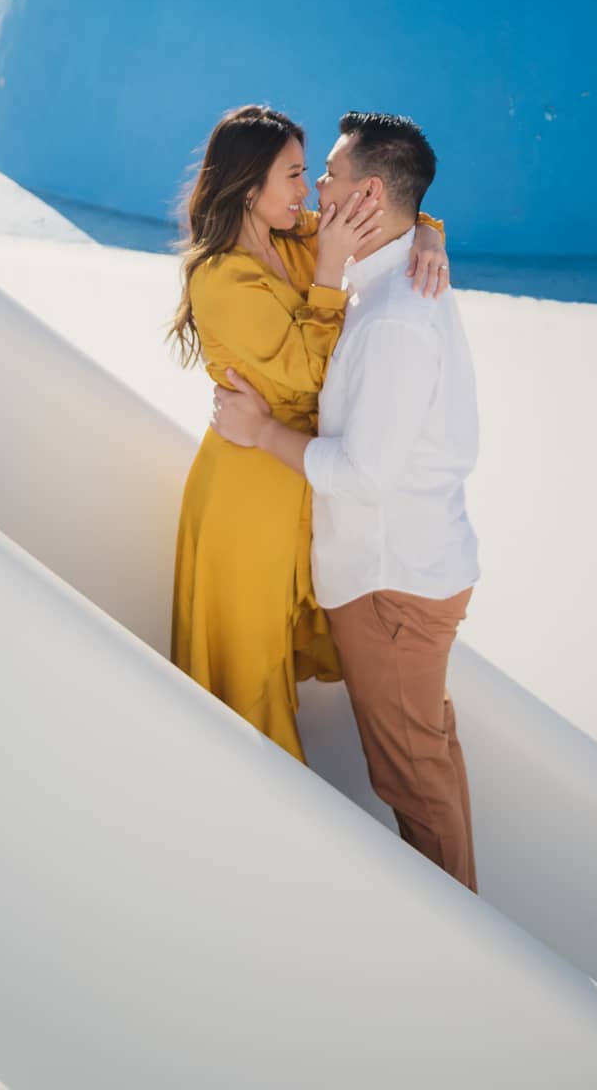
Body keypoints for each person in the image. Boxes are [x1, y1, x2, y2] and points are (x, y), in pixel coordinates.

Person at [211, 112, 481, 891]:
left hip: (391, 585)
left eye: (327, 173)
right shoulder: (387, 280)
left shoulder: (396, 316)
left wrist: (262, 434)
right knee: (426, 764)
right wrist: (427, 225)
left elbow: (363, 475)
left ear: (365, 193)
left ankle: (464, 963)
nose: (318, 187)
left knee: (415, 785)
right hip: (405, 572)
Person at [167, 104, 450, 764]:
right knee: (250, 681)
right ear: (247, 184)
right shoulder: (221, 277)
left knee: (283, 662)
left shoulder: (295, 235)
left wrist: (430, 236)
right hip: (247, 495)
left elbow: (392, 212)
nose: (307, 191)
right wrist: (329, 274)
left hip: (295, 477)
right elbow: (304, 378)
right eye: (295, 175)